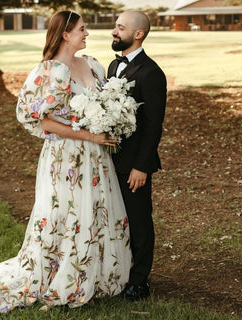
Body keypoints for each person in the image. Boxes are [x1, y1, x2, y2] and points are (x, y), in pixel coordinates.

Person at [0, 11, 131, 316]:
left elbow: (104, 102)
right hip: (68, 156)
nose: (86, 34)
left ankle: (100, 274)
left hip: (96, 156)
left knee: (96, 209)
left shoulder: (92, 64)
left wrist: (110, 121)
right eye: (81, 29)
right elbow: (41, 120)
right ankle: (65, 273)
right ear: (64, 34)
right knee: (67, 212)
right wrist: (90, 135)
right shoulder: (50, 71)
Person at [108, 10, 167, 301]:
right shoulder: (112, 66)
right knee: (115, 219)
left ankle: (140, 281)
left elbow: (154, 126)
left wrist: (141, 167)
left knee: (139, 221)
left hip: (134, 165)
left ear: (138, 34)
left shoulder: (151, 73)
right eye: (115, 27)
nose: (113, 32)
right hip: (109, 160)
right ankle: (117, 271)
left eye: (120, 27)